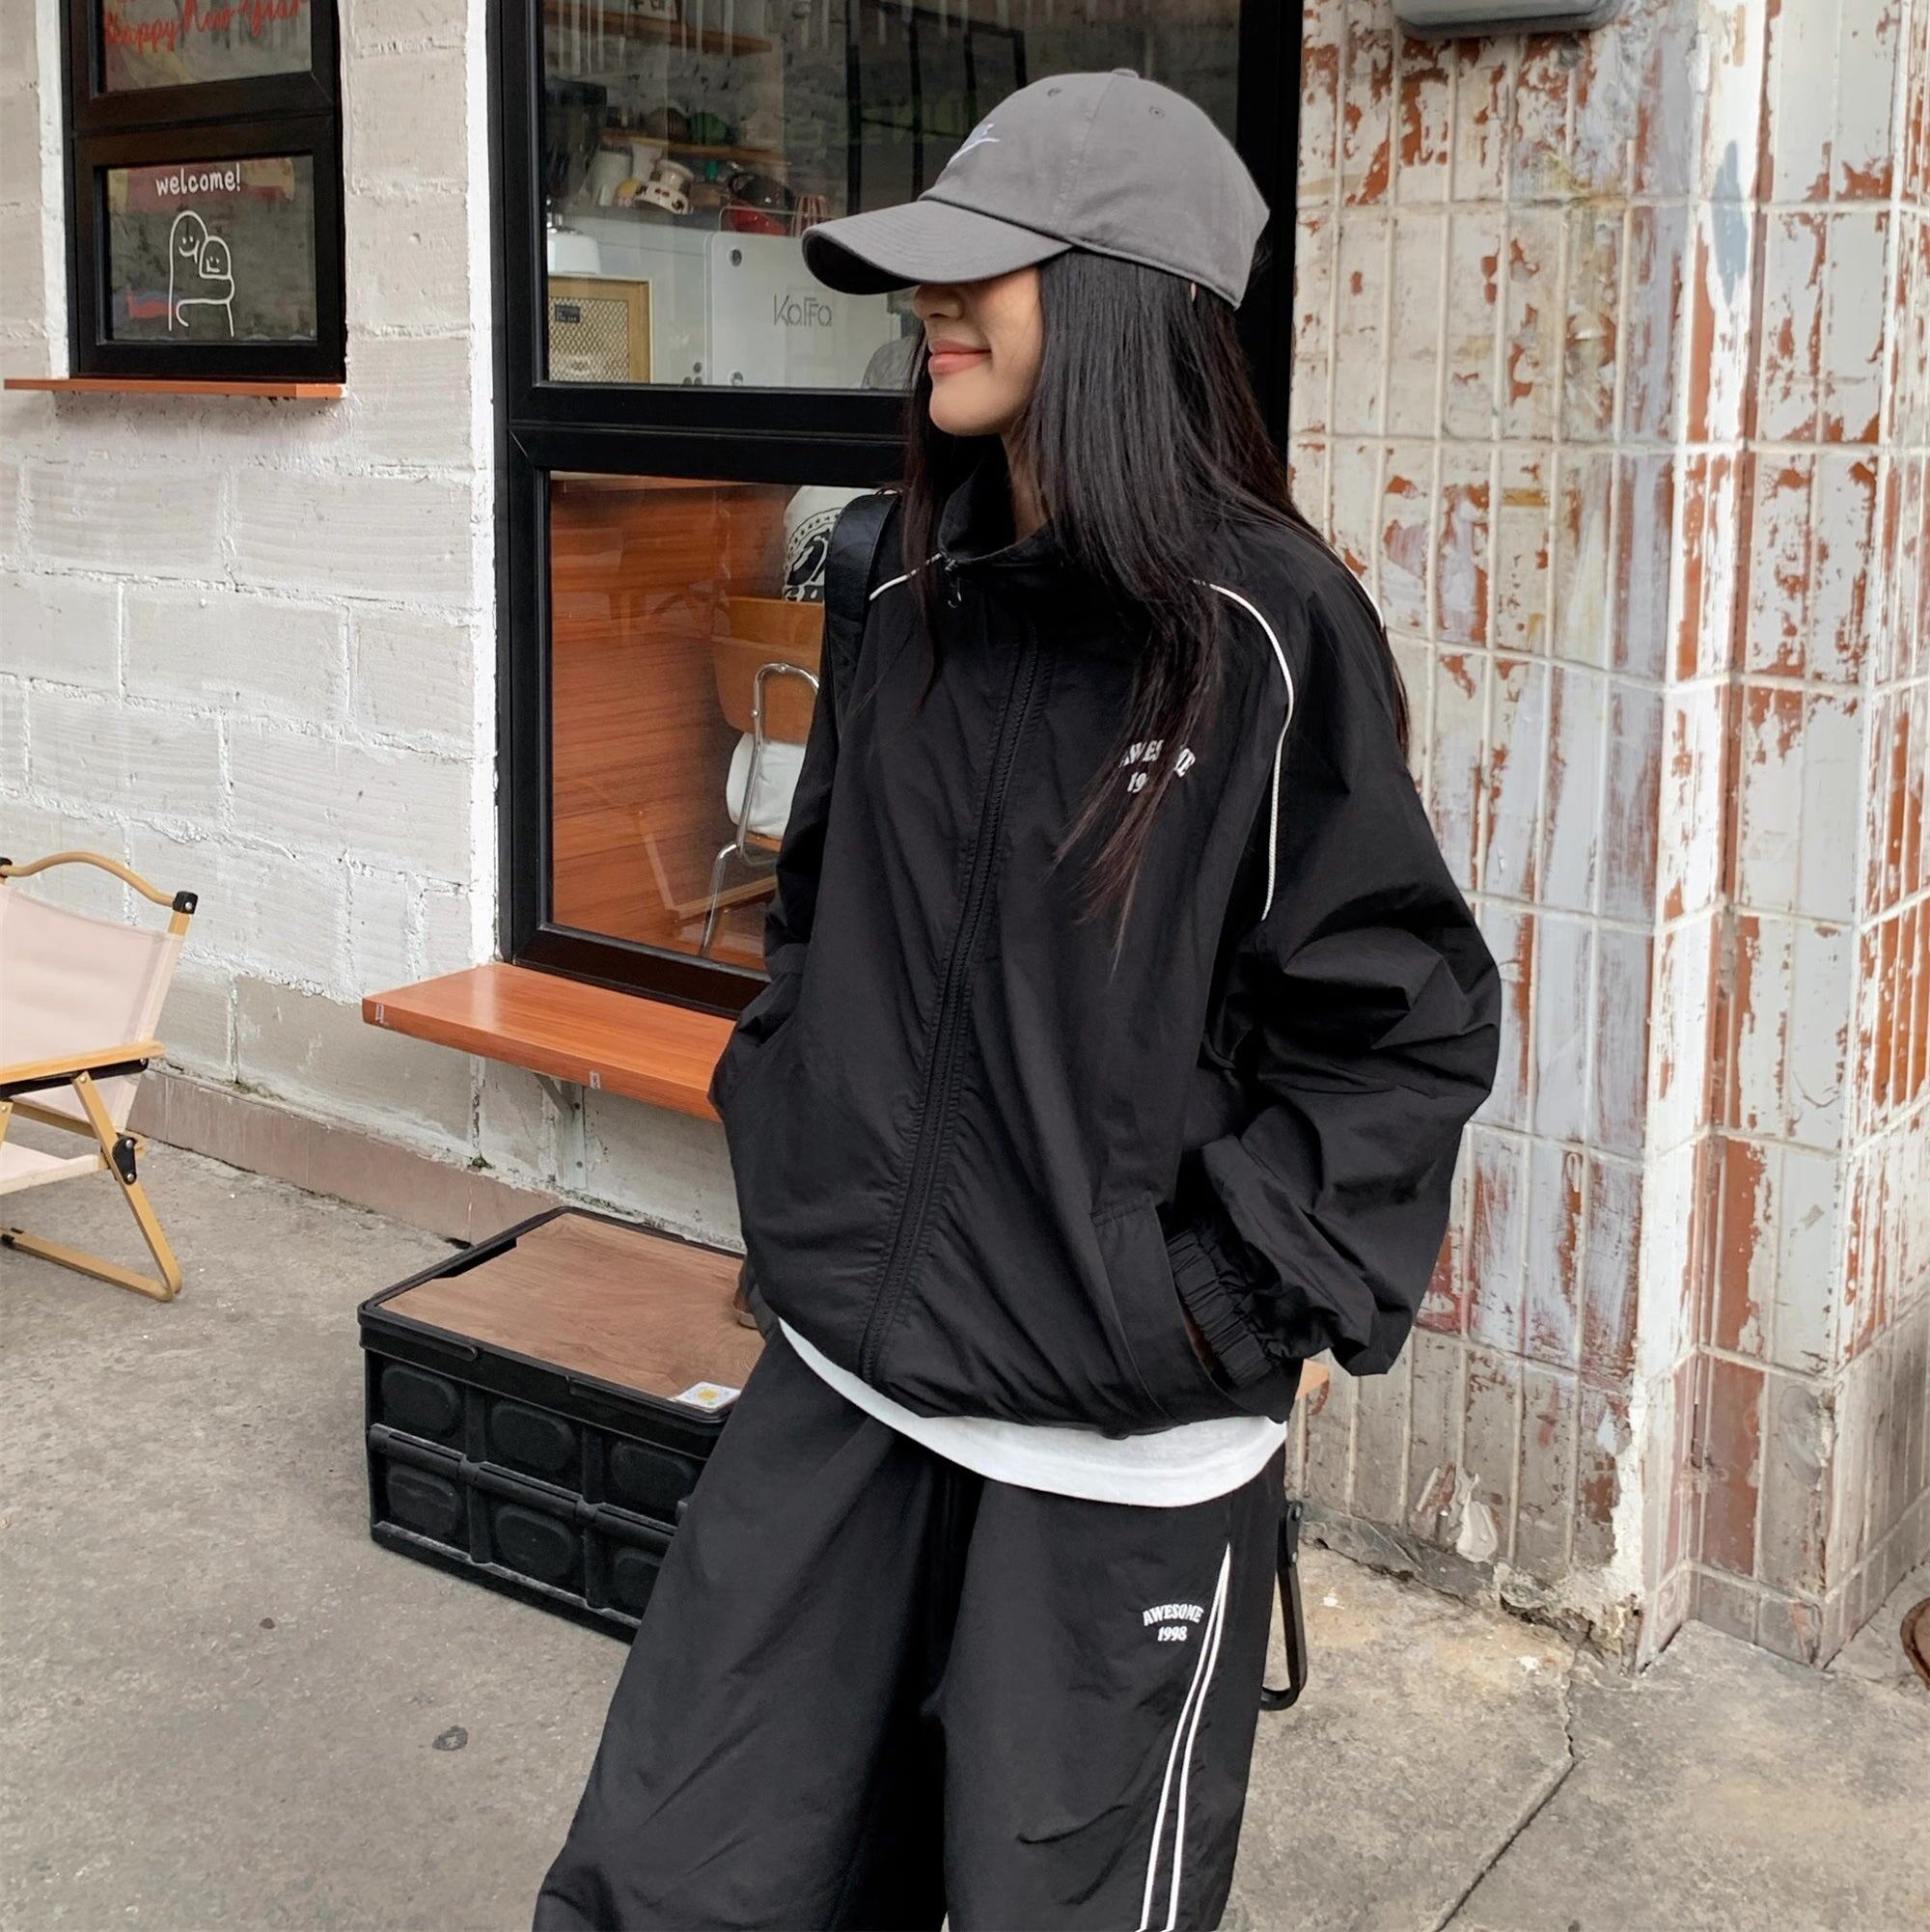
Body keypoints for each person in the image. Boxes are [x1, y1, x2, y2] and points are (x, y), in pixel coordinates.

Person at [533, 69, 1502, 1932]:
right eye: (929, 265)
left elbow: (1398, 1028)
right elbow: (820, 901)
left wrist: (1200, 1305)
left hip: (1109, 1457)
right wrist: (793, 1121)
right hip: (842, 1385)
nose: (931, 301)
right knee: (670, 1881)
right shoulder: (897, 573)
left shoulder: (1271, 636)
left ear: (1127, 302)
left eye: (986, 265)